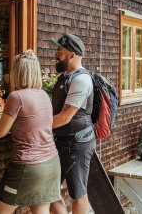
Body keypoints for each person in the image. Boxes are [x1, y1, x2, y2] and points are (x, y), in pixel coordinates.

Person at [0, 50, 63, 214]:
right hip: (51, 164)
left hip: (28, 167)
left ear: (17, 72)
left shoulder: (16, 97)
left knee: (0, 211)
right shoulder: (44, 95)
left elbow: (0, 132)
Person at [49, 33, 94, 214]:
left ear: (72, 54)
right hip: (61, 140)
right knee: (48, 189)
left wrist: (35, 126)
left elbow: (65, 117)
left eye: (59, 50)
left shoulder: (81, 80)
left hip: (77, 143)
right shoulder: (65, 77)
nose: (55, 54)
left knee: (78, 193)